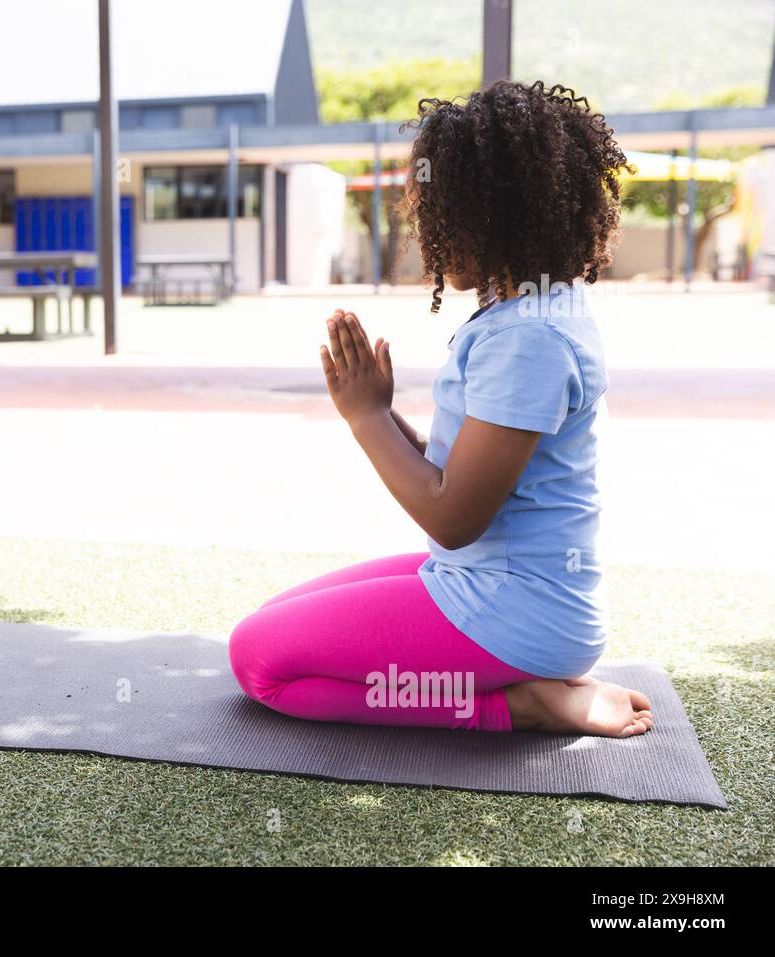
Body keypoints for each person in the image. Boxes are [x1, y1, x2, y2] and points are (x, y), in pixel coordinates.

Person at [228, 81, 653, 736]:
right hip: (506, 590)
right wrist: (379, 408)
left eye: (433, 209)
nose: (421, 227)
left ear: (490, 212)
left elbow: (454, 515)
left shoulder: (528, 339)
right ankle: (530, 679)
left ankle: (521, 703)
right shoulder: (532, 313)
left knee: (259, 661)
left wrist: (366, 419)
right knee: (273, 616)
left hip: (511, 609)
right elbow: (465, 470)